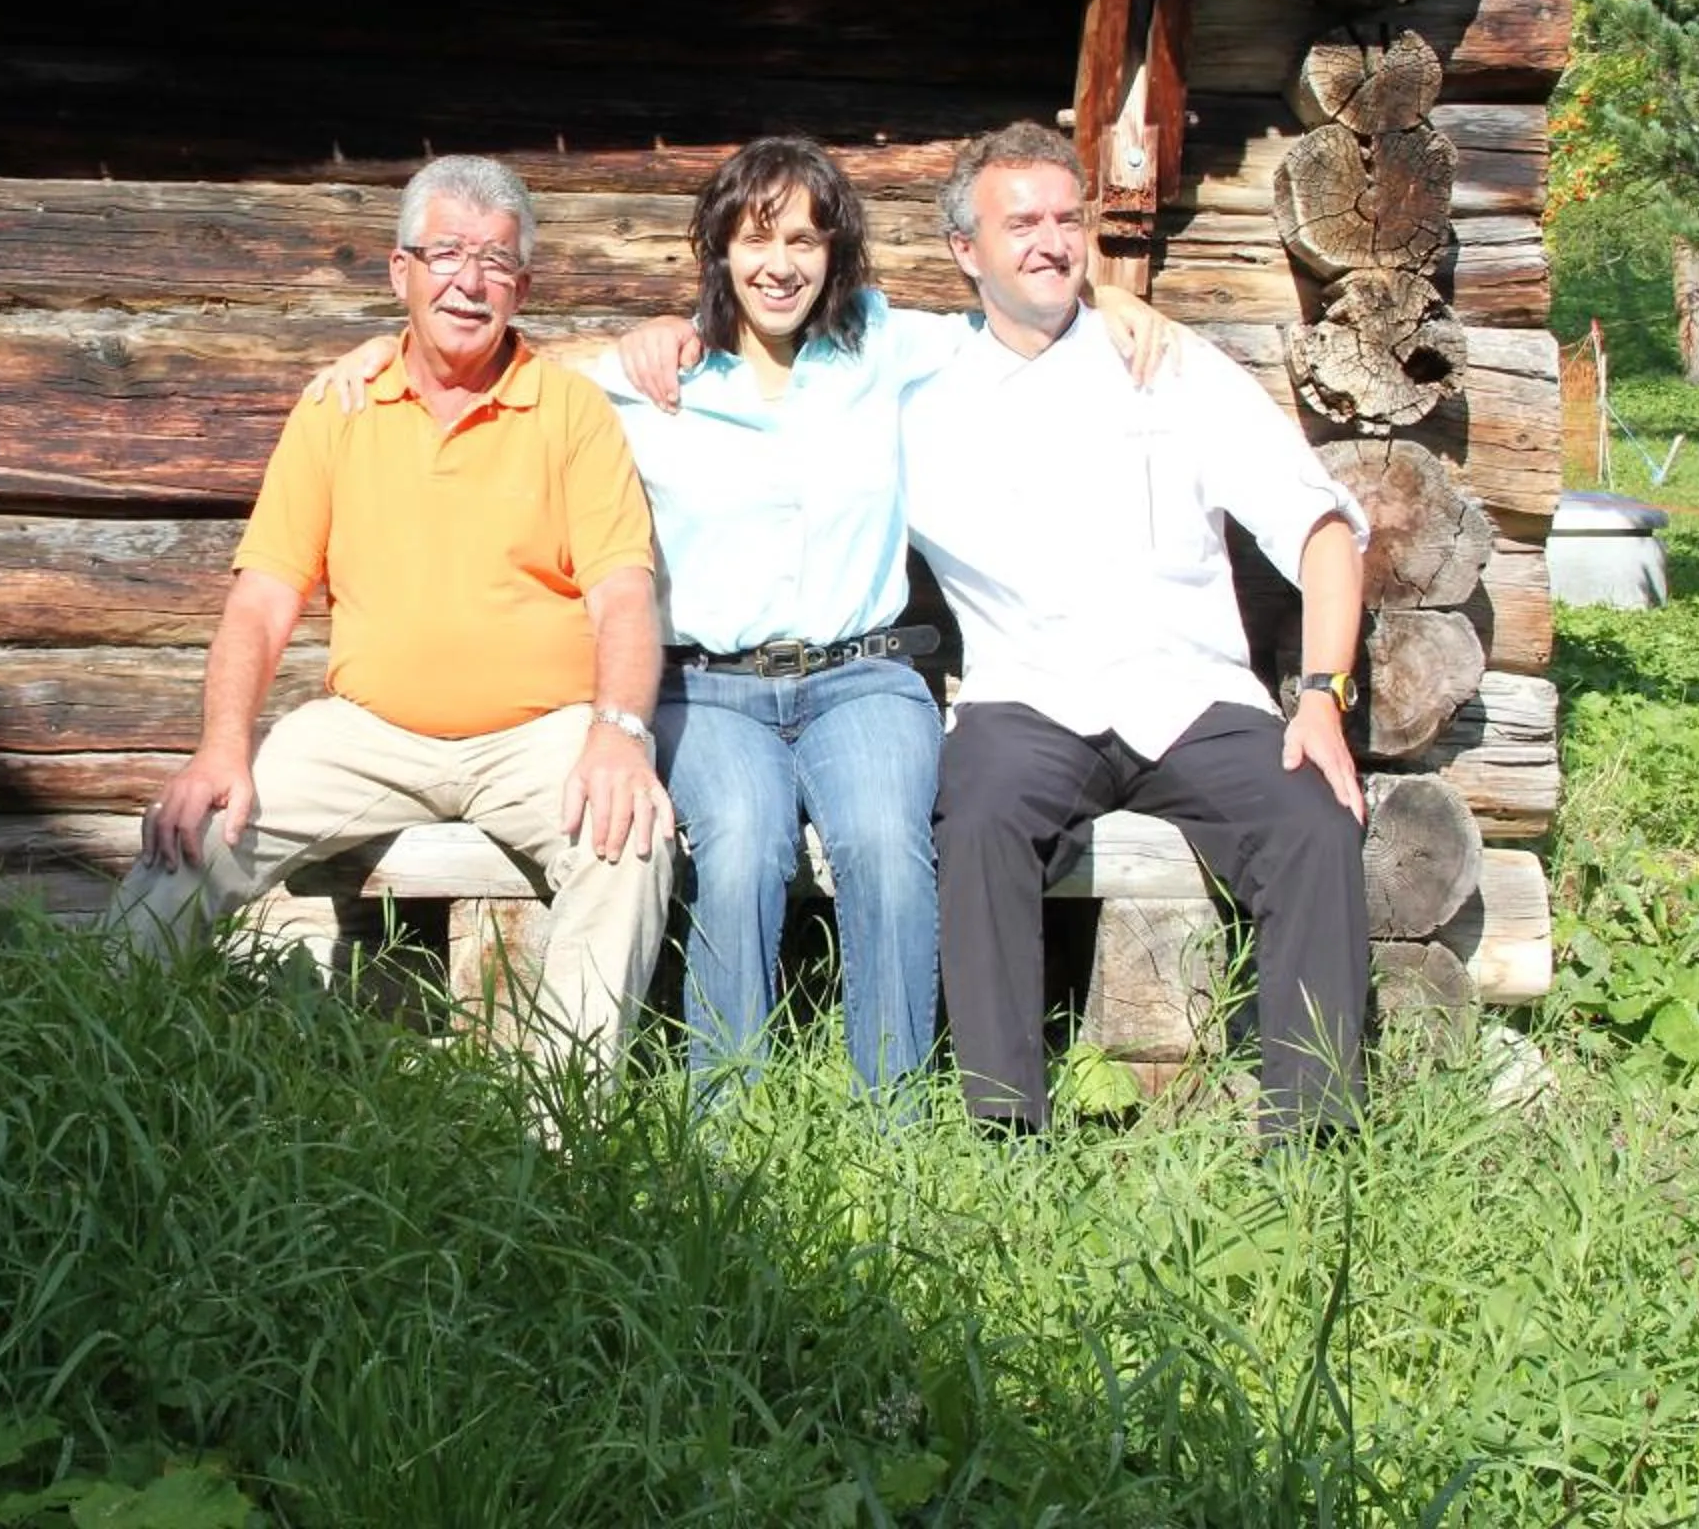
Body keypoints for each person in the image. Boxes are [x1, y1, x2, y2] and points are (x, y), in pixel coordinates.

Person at [315, 138, 1174, 1103]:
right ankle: (726, 1129)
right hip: (709, 688)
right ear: (719, 248)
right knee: (744, 848)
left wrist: (1113, 298)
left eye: (806, 240)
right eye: (756, 237)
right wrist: (384, 347)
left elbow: (1021, 314)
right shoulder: (658, 375)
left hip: (864, 678)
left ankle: (891, 1118)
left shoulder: (885, 344)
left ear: (835, 253)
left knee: (890, 845)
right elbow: (497, 357)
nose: (781, 263)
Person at [115, 155, 672, 1084]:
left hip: (539, 738)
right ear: (399, 271)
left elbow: (623, 593)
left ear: (522, 286)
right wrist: (221, 748)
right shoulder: (337, 407)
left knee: (632, 836)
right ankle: (92, 1054)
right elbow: (262, 599)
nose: (469, 280)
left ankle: (563, 1134)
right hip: (365, 734)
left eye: (495, 261)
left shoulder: (571, 411)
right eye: (446, 252)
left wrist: (618, 735)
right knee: (202, 829)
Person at [905, 120, 1370, 1139]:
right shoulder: (917, 390)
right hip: (1027, 695)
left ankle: (1318, 1139)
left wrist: (1324, 698)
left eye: (1067, 218)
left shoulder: (1176, 368)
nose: (1050, 241)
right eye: (1018, 221)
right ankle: (1004, 1133)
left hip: (1190, 695)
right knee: (977, 816)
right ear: (964, 251)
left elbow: (1323, 527)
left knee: (1314, 821)